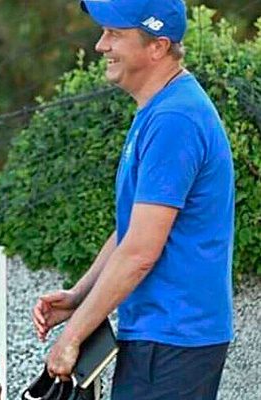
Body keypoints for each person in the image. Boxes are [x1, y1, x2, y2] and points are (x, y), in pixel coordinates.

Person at [32, 1, 235, 399]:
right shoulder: (162, 109)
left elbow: (141, 252)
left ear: (157, 46)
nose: (100, 45)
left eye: (115, 34)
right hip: (164, 335)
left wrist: (72, 337)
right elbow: (133, 229)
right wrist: (79, 298)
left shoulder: (174, 120)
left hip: (173, 338)